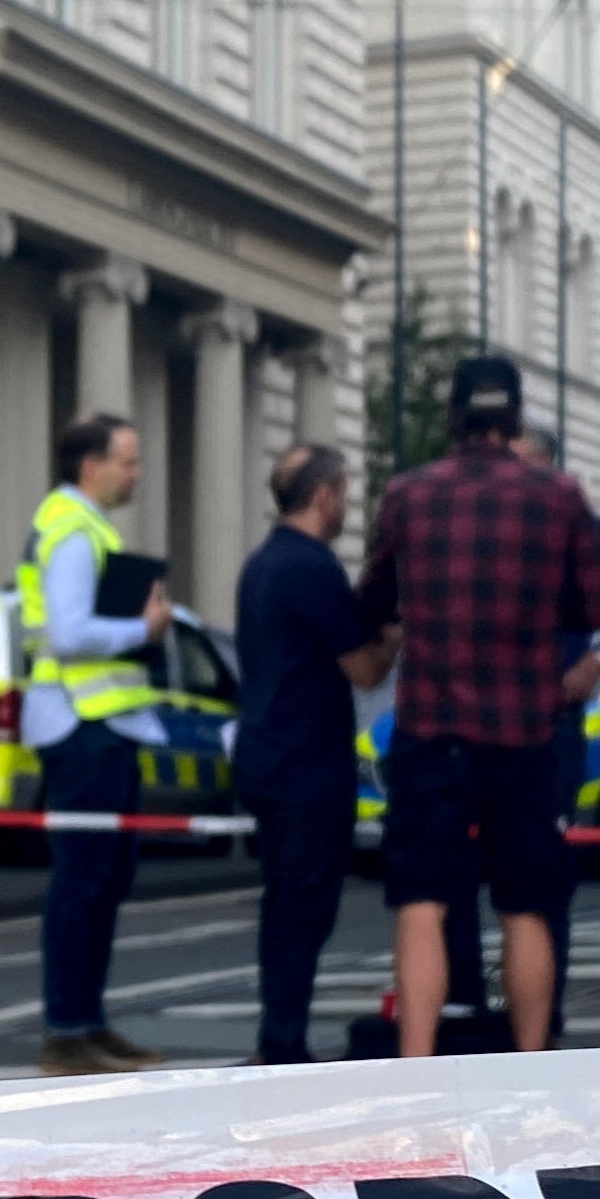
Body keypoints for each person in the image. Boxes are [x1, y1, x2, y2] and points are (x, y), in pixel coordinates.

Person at [357, 356, 600, 1058]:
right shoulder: (558, 495)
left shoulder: (408, 495)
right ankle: (529, 1062)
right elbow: (594, 606)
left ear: (455, 416)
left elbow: (373, 599)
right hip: (523, 730)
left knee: (421, 901)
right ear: (514, 419)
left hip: (430, 730)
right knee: (525, 904)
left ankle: (417, 1065)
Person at [431, 422, 600, 1040]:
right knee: (452, 868)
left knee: (536, 875)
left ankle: (538, 1024)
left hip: (545, 723)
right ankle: (465, 1006)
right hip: (472, 721)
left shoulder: (580, 534)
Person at [231, 443, 394, 1065]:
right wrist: (397, 638)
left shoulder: (262, 562)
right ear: (324, 495)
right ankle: (282, 1045)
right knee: (305, 909)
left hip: (265, 753)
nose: (348, 504)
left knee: (284, 905)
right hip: (309, 763)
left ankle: (280, 1037)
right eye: (346, 491)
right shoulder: (312, 568)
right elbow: (363, 669)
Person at [21, 412, 173, 1075]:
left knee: (103, 880)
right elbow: (68, 632)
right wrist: (141, 630)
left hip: (99, 724)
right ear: (93, 465)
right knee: (84, 882)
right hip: (82, 724)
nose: (136, 474)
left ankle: (87, 1022)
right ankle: (67, 1030)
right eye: (129, 461)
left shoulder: (82, 527)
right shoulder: (75, 533)